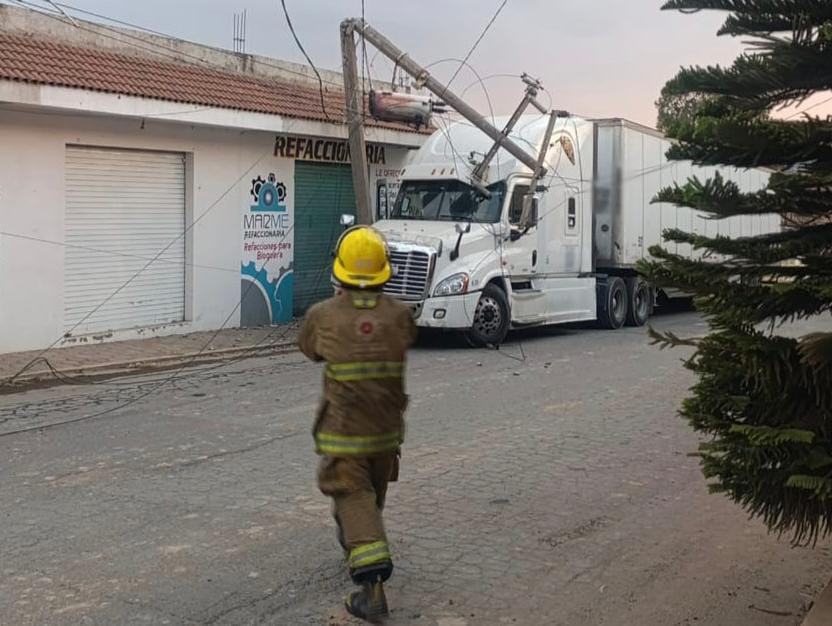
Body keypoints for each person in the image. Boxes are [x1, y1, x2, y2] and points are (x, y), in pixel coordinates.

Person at [298, 225, 417, 622]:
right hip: (386, 435)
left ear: (340, 270)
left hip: (344, 435)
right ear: (384, 270)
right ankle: (358, 540)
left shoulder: (323, 316)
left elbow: (310, 349)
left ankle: (373, 589)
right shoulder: (400, 315)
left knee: (351, 496)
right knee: (370, 500)